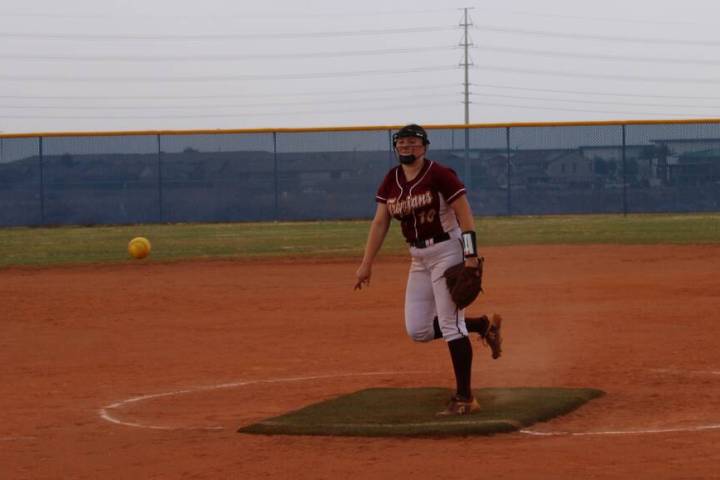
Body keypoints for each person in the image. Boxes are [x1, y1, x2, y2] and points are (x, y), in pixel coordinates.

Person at [354, 124, 503, 416]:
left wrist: (471, 255)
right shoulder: (391, 180)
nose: (408, 148)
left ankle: (465, 398)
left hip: (448, 249)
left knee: (449, 325)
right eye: (402, 143)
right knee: (418, 330)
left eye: (414, 143)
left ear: (424, 147)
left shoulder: (439, 174)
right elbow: (380, 222)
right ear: (395, 147)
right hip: (418, 257)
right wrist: (366, 263)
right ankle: (482, 326)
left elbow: (465, 215)